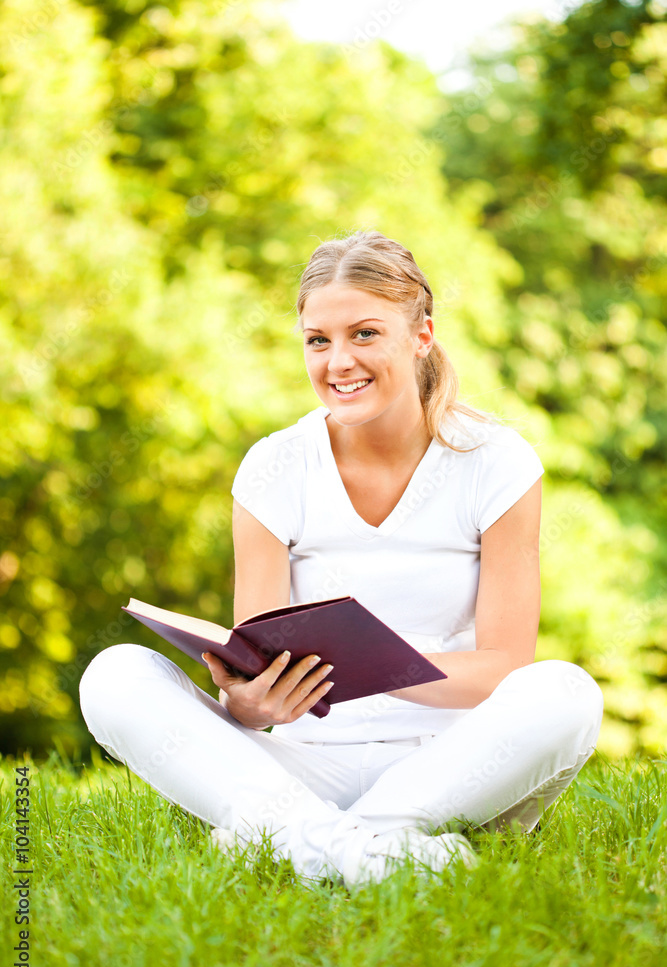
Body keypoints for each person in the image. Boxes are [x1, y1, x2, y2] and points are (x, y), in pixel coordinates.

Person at [79, 230, 604, 891]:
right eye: (317, 340)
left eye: (364, 334)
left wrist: (371, 664)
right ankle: (373, 849)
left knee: (566, 693)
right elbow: (256, 670)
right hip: (299, 764)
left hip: (448, 763)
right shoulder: (275, 464)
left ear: (421, 336)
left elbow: (502, 669)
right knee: (115, 674)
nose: (338, 361)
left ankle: (291, 842)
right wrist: (248, 702)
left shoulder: (495, 462)